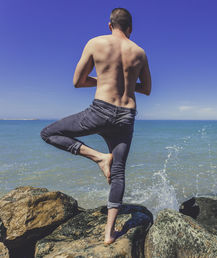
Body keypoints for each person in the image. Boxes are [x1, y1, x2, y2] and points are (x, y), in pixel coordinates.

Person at [40, 8, 151, 244]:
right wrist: (126, 84)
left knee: (49, 132)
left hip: (100, 111)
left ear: (109, 25)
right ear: (130, 29)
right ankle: (109, 234)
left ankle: (99, 158)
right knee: (119, 171)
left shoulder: (95, 42)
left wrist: (104, 78)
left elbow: (77, 82)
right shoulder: (140, 52)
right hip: (126, 114)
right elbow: (147, 88)